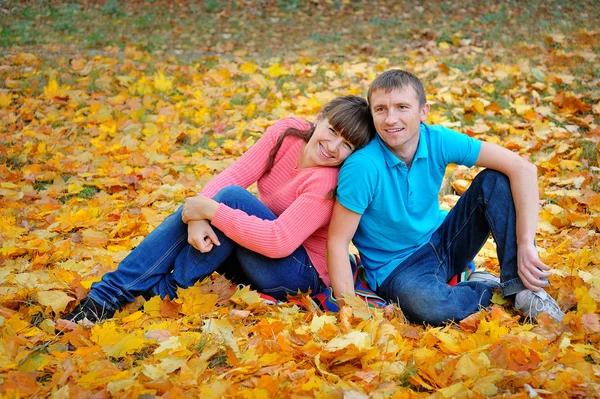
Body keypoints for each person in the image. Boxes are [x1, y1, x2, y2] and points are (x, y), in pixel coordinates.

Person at [65, 95, 376, 323]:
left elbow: (279, 240)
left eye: (347, 145)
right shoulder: (288, 133)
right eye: (333, 130)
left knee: (230, 200)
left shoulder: (328, 182)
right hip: (255, 253)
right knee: (226, 200)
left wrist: (209, 211)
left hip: (295, 272)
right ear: (320, 117)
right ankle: (117, 298)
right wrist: (197, 218)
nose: (334, 147)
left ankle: (127, 295)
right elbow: (235, 174)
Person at [326, 70, 565, 326]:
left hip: (443, 240)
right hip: (398, 269)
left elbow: (523, 169)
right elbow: (338, 241)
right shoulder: (363, 166)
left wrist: (526, 243)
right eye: (381, 109)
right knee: (431, 307)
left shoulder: (437, 140)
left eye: (402, 107)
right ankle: (490, 289)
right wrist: (348, 311)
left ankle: (523, 287)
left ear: (423, 111)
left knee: (497, 180)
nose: (391, 118)